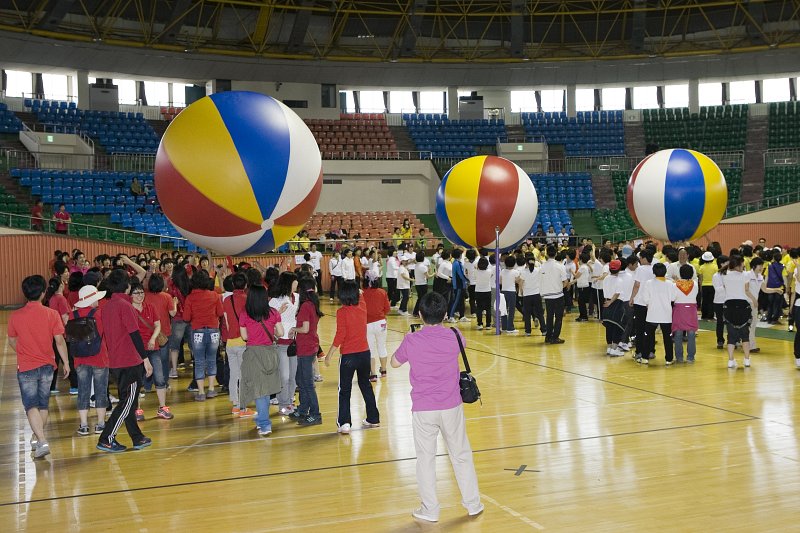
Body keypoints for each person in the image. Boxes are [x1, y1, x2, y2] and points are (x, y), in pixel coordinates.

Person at [390, 292, 483, 522]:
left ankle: (430, 509)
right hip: (451, 405)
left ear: (420, 315)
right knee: (461, 453)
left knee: (426, 458)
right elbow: (463, 344)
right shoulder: (455, 334)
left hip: (423, 408)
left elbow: (393, 362)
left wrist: (409, 340)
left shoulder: (412, 340)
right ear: (444, 314)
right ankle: (473, 503)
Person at [8, 275, 71, 459]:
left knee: (30, 405)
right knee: (43, 404)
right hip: (47, 366)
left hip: (26, 367)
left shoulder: (15, 316)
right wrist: (66, 362)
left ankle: (41, 439)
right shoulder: (52, 314)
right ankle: (39, 438)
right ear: (44, 293)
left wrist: (22, 351)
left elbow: (12, 340)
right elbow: (59, 341)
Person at [96, 269, 154, 453]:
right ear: (126, 286)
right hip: (129, 360)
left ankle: (137, 437)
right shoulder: (125, 305)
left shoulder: (107, 306)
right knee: (127, 402)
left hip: (116, 360)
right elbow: (134, 334)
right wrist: (145, 358)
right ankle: (107, 438)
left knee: (129, 401)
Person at [325, 280, 380, 435]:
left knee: (344, 390)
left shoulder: (341, 312)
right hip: (364, 354)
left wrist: (329, 354)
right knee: (365, 386)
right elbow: (361, 293)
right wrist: (358, 290)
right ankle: (373, 418)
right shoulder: (362, 306)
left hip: (348, 356)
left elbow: (340, 335)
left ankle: (345, 423)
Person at [238, 284, 284, 436]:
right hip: (270, 353)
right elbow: (281, 332)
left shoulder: (244, 314)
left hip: (253, 354)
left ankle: (265, 424)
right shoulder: (273, 312)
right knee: (266, 389)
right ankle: (261, 419)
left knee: (259, 390)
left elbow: (244, 336)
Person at [130, 281, 173, 420]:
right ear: (130, 295)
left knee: (160, 378)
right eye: (136, 293)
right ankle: (136, 409)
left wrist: (152, 339)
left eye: (141, 292)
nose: (140, 295)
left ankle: (162, 408)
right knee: (137, 380)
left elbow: (157, 326)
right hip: (136, 350)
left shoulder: (150, 307)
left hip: (152, 347)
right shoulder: (129, 309)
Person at [70, 285, 110, 436]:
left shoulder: (72, 315)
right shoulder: (99, 314)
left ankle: (84, 425)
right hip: (99, 356)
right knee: (101, 390)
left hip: (80, 358)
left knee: (83, 390)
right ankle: (100, 424)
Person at [287, 277, 324, 426]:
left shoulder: (305, 306)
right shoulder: (312, 304)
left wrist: (293, 329)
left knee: (307, 383)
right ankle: (303, 409)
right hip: (309, 346)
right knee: (301, 379)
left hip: (306, 348)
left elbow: (305, 328)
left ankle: (315, 414)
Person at [183, 270, 224, 401]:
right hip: (213, 331)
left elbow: (186, 317)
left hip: (197, 331)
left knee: (199, 361)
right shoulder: (215, 295)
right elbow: (220, 312)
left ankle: (201, 392)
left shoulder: (190, 297)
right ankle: (211, 389)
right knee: (212, 359)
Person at [143, 274, 176, 418]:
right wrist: (175, 303)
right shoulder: (167, 297)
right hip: (163, 333)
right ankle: (163, 384)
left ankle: (147, 385)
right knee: (162, 361)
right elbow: (172, 313)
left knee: (146, 361)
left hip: (147, 334)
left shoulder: (144, 296)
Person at [270, 271, 300, 416]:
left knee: (293, 376)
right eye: (295, 282)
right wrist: (278, 312)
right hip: (281, 343)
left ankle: (289, 401)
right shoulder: (275, 301)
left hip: (294, 343)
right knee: (284, 376)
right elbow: (268, 321)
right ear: (289, 283)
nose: (297, 284)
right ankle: (283, 403)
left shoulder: (298, 298)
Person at [222, 272, 252, 417]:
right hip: (243, 341)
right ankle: (243, 408)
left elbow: (227, 323)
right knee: (244, 375)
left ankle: (235, 404)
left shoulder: (226, 300)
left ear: (233, 284)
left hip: (230, 341)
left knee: (234, 374)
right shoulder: (247, 299)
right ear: (246, 285)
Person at [722, 256, 757, 369]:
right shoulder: (745, 275)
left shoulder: (724, 274)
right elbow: (746, 290)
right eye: (742, 264)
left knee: (731, 335)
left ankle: (731, 360)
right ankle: (746, 360)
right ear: (739, 264)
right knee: (744, 334)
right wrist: (754, 300)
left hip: (729, 306)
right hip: (743, 306)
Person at [638, 262, 675, 365]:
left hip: (652, 315)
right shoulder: (670, 283)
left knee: (648, 337)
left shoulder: (649, 283)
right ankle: (669, 359)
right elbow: (673, 298)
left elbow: (645, 299)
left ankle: (645, 358)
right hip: (666, 315)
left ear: (653, 272)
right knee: (667, 338)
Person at [363, 272, 390, 382]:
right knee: (382, 346)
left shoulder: (362, 293)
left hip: (367, 324)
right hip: (381, 323)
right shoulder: (382, 292)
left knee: (370, 349)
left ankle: (373, 374)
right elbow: (387, 309)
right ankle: (383, 371)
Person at [540, 245, 568, 344]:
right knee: (558, 317)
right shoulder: (560, 266)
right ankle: (555, 337)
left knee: (549, 316)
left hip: (547, 295)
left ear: (547, 253)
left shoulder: (542, 265)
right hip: (558, 295)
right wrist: (559, 287)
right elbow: (565, 282)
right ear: (556, 253)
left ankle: (548, 337)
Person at [673, 264, 699, 363]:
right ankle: (690, 357)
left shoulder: (675, 284)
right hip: (691, 309)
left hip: (679, 309)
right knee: (691, 333)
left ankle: (679, 357)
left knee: (678, 333)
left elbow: (672, 298)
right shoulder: (695, 284)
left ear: (680, 273)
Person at [520, 253, 545, 337]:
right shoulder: (538, 270)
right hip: (536, 294)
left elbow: (521, 283)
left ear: (526, 263)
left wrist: (521, 291)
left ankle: (528, 331)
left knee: (527, 314)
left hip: (527, 295)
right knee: (540, 313)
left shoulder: (523, 272)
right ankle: (544, 330)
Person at [712, 255, 729, 349]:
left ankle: (732, 339)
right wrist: (725, 286)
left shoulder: (730, 274)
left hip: (729, 300)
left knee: (731, 322)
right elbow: (717, 289)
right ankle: (720, 340)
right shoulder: (716, 275)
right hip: (719, 301)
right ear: (721, 264)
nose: (729, 264)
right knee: (720, 322)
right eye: (726, 262)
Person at [473, 256, 494, 330]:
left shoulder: (476, 271)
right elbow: (491, 275)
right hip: (487, 291)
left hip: (478, 291)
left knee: (479, 308)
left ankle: (480, 324)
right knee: (488, 308)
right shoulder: (489, 271)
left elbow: (475, 267)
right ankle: (488, 324)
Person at [697, 251, 718, 320]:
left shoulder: (701, 267)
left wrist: (700, 287)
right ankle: (710, 315)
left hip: (704, 286)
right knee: (711, 301)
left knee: (704, 301)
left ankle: (704, 315)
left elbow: (700, 279)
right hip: (713, 286)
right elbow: (716, 277)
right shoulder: (715, 267)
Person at [413, 251, 432, 318]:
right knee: (422, 299)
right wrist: (435, 273)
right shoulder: (423, 267)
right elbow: (428, 276)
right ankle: (418, 312)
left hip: (417, 284)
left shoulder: (416, 265)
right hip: (422, 284)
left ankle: (416, 312)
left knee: (420, 298)